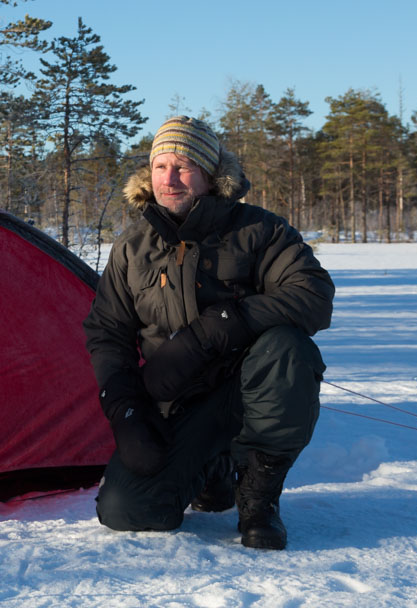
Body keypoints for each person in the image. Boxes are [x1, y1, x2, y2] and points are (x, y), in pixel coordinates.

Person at [83, 116, 333, 549]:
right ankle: (211, 467)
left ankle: (258, 499)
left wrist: (218, 328)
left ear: (210, 174)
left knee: (286, 348)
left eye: (184, 166)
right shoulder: (132, 247)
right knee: (128, 510)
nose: (170, 178)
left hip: (247, 390)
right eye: (161, 166)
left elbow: (312, 295)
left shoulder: (260, 230)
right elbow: (108, 332)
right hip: (179, 402)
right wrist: (124, 410)